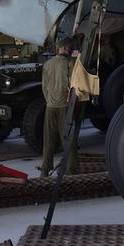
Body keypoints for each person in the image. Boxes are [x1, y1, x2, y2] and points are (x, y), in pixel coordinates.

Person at [39, 38, 77, 177]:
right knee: (68, 139)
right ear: (65, 48)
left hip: (50, 106)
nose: (71, 49)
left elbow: (44, 86)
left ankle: (45, 169)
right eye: (70, 47)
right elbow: (73, 86)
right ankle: (71, 170)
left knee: (48, 139)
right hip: (64, 106)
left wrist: (49, 100)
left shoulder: (47, 64)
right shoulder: (69, 63)